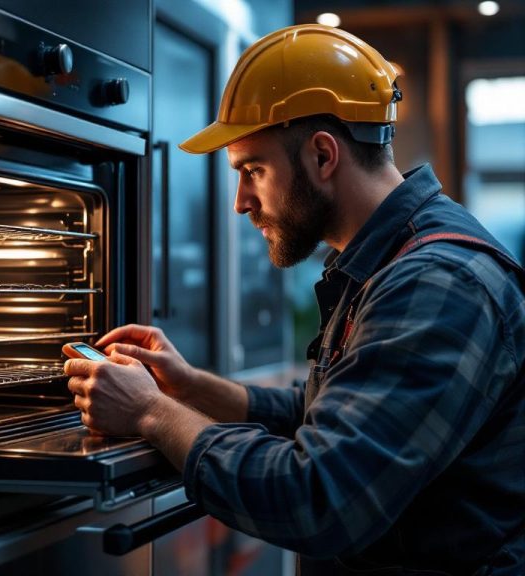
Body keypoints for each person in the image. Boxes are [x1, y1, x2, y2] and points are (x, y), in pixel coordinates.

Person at [63, 24, 525, 575]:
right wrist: (187, 387)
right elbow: (326, 415)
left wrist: (151, 412)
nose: (240, 202)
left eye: (253, 171)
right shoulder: (389, 262)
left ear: (323, 156)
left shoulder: (437, 283)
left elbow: (320, 497)